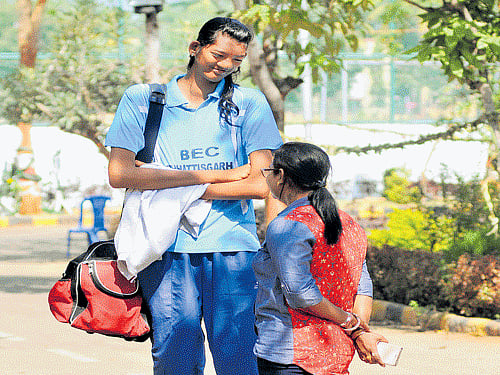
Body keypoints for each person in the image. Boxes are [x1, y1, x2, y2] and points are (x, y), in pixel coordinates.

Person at [105, 17, 283, 375]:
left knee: (239, 361)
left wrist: (162, 180)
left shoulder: (249, 103)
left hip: (234, 248)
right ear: (195, 48)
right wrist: (215, 177)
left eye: (237, 60)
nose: (226, 66)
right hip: (165, 249)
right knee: (176, 360)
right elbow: (121, 174)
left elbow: (260, 185)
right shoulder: (144, 100)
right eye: (218, 54)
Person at [253, 142, 388, 375]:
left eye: (269, 171)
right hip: (335, 354)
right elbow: (362, 284)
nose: (267, 177)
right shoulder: (348, 223)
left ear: (281, 176)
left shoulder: (287, 225)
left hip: (290, 354)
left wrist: (353, 324)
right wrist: (359, 331)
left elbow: (300, 293)